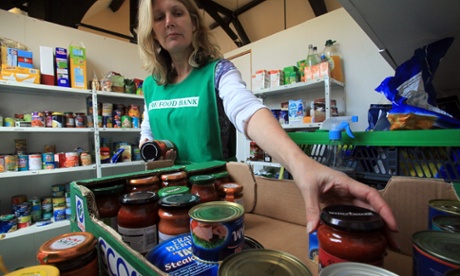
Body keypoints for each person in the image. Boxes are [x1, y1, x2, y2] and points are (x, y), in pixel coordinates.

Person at [136, 0, 399, 245]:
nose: (169, 21)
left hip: (210, 203)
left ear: (193, 22)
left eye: (177, 12)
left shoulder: (217, 72)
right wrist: (150, 146)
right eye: (159, 17)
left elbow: (246, 109)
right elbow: (147, 129)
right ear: (152, 33)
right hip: (165, 201)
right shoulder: (150, 86)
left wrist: (301, 165)